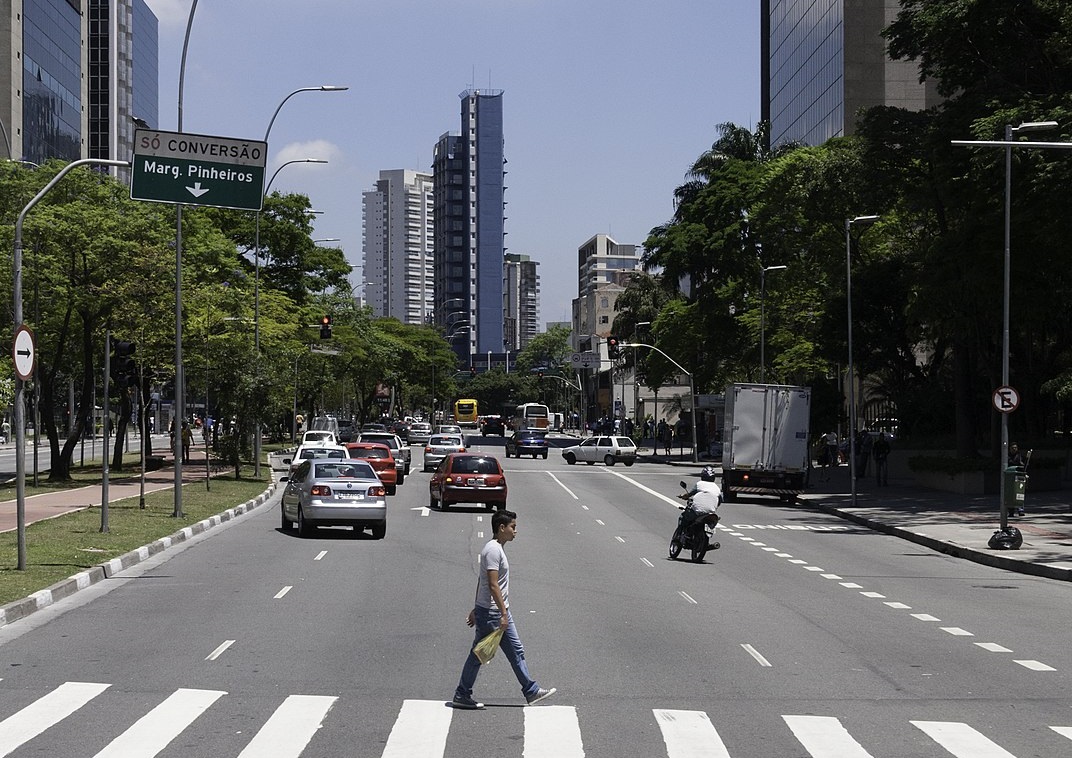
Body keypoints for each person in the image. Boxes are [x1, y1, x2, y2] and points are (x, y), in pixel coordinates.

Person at [452, 510, 555, 710]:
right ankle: (462, 693)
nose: (515, 531)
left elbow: (482, 581)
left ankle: (530, 690)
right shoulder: (493, 550)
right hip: (492, 613)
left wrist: (477, 608)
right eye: (513, 527)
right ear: (501, 528)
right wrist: (503, 614)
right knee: (479, 655)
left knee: (512, 651)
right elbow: (491, 584)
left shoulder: (497, 548)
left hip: (493, 611)